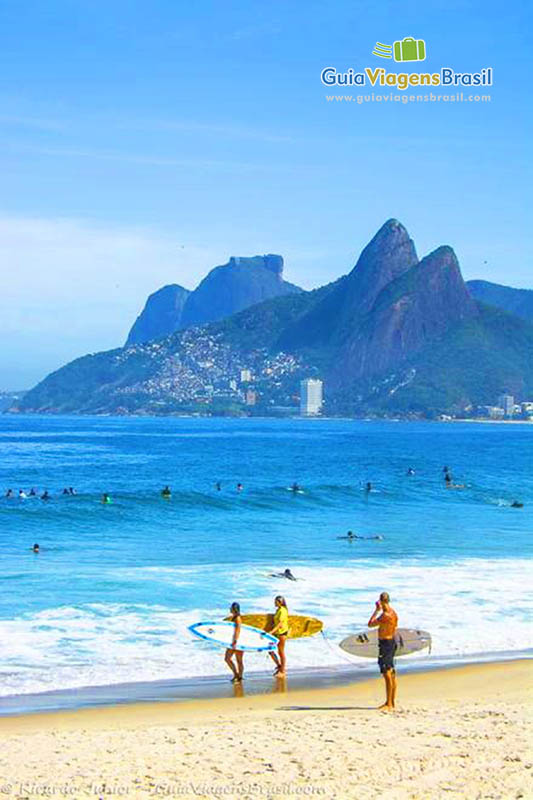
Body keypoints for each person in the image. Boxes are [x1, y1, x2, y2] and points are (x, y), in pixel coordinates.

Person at [368, 591, 398, 712]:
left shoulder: (385, 615)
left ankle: (389, 704)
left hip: (385, 645)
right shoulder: (394, 613)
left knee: (387, 674)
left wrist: (376, 610)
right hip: (391, 643)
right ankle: (391, 702)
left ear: (380, 601)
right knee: (391, 673)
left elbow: (370, 624)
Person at [269, 596, 289, 677]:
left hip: (282, 633)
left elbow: (280, 624)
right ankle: (279, 666)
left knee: (281, 652)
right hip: (276, 634)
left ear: (280, 602)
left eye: (276, 601)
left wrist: (271, 632)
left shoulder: (283, 611)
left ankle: (283, 671)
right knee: (270, 650)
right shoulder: (278, 610)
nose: (274, 603)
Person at [224, 602, 244, 683]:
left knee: (238, 660)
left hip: (237, 642)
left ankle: (239, 677)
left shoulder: (238, 618)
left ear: (234, 609)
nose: (230, 609)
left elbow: (238, 630)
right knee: (227, 659)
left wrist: (235, 641)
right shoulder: (234, 618)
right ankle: (236, 675)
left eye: (231, 608)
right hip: (233, 641)